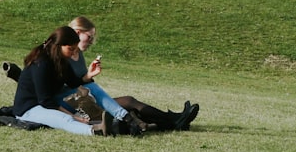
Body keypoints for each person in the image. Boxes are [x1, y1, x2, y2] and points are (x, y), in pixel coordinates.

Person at [67, 16, 199, 132]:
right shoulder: (64, 56)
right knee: (128, 102)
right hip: (78, 105)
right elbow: (69, 85)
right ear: (78, 33)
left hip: (87, 99)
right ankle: (175, 120)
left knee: (129, 103)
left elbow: (82, 82)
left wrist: (90, 75)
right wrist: (88, 77)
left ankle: (174, 120)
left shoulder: (79, 55)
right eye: (89, 37)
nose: (91, 42)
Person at [11, 25, 113, 136]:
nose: (73, 53)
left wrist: (89, 75)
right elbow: (45, 100)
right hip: (29, 109)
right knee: (64, 118)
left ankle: (119, 118)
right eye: (70, 49)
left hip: (50, 102)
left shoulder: (62, 61)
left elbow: (73, 83)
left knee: (90, 90)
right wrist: (73, 116)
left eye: (75, 49)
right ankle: (95, 131)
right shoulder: (41, 63)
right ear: (58, 46)